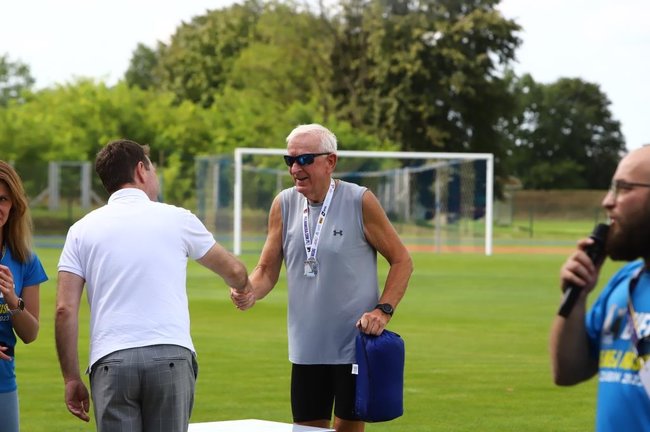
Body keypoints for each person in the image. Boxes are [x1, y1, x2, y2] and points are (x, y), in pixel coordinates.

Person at [55, 139, 252, 432]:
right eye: (154, 170)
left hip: (111, 360)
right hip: (170, 355)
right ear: (141, 170)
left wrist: (71, 378)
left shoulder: (80, 230)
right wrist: (242, 288)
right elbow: (234, 270)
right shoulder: (177, 218)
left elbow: (64, 310)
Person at [231, 124, 413, 432]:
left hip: (353, 347)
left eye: (305, 159)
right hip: (306, 348)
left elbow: (402, 260)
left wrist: (383, 310)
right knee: (306, 430)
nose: (295, 169)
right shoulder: (283, 204)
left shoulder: (359, 201)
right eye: (290, 160)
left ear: (330, 161)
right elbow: (266, 271)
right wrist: (249, 290)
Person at [550, 145, 650, 431]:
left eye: (624, 188)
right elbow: (568, 371)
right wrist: (576, 297)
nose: (608, 201)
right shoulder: (625, 282)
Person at [0, 161, 48, 432]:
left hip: (3, 382)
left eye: (3, 199)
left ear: (14, 205)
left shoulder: (25, 260)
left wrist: (11, 299)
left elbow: (30, 334)